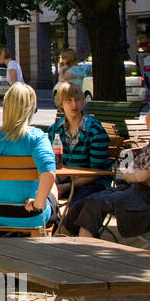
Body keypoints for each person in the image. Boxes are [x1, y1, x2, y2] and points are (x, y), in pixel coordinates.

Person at [76, 103, 150, 240]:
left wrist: (133, 175)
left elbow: (141, 176)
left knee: (96, 203)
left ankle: (83, 247)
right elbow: (131, 171)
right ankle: (67, 241)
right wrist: (133, 174)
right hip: (133, 190)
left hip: (149, 199)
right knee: (82, 202)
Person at [0, 83, 58, 232]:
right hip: (31, 215)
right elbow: (48, 175)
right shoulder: (37, 137)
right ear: (31, 109)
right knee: (53, 185)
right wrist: (37, 205)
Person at [46, 82, 112, 233]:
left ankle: (63, 234)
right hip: (66, 179)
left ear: (83, 101)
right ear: (61, 103)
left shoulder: (95, 130)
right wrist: (56, 182)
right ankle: (53, 228)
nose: (74, 104)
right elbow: (55, 165)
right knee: (41, 193)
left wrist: (68, 186)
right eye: (69, 100)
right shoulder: (55, 130)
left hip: (94, 181)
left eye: (78, 99)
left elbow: (96, 172)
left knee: (78, 204)